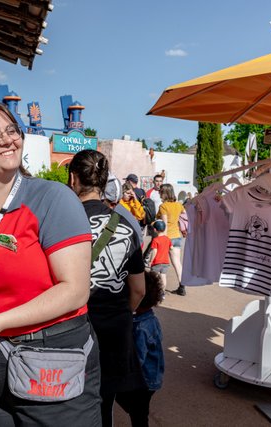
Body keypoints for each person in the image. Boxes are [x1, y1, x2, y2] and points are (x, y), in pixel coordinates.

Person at [0, 100, 102, 427]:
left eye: (12, 130)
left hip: (49, 361)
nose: (8, 140)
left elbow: (75, 290)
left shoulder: (52, 199)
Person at [68, 149, 146, 427]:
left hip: (71, 329)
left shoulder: (62, 222)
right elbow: (138, 290)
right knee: (104, 403)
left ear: (73, 179)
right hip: (114, 331)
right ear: (104, 184)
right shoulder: (125, 225)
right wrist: (119, 312)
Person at [116, 270, 165, 427]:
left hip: (143, 380)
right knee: (138, 410)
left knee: (138, 413)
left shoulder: (140, 327)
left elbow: (137, 359)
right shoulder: (151, 319)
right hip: (151, 377)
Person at [157, 183, 186, 296]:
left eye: (160, 191)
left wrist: (161, 239)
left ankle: (161, 290)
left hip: (167, 237)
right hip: (177, 236)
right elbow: (184, 214)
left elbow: (164, 224)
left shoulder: (163, 206)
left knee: (162, 264)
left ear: (164, 193)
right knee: (177, 263)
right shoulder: (179, 205)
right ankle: (182, 286)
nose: (159, 193)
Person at [104, 176, 143, 242]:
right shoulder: (118, 204)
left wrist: (135, 199)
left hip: (133, 230)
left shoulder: (132, 202)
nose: (129, 195)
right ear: (122, 193)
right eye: (127, 193)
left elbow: (140, 216)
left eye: (131, 193)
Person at [146, 220, 171, 291]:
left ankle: (154, 291)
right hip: (165, 262)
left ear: (155, 229)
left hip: (156, 262)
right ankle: (162, 291)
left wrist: (151, 261)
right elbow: (171, 248)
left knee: (154, 277)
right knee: (163, 276)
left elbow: (154, 251)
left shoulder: (156, 240)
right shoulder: (167, 239)